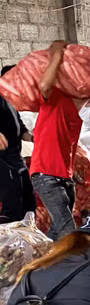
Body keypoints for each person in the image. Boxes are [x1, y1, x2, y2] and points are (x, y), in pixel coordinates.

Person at [30, 40, 90, 240]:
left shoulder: (79, 113)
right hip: (46, 175)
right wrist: (57, 54)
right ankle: (74, 259)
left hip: (65, 177)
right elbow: (44, 85)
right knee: (68, 231)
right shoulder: (57, 101)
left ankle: (45, 255)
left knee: (57, 230)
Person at [0, 65, 36, 224]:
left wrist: (33, 137)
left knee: (29, 205)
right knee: (12, 210)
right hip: (3, 162)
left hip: (16, 159)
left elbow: (21, 128)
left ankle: (26, 236)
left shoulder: (12, 102)